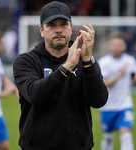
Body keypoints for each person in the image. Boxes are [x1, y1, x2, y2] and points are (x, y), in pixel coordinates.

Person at [13, 1, 108, 150]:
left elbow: (99, 100)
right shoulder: (26, 61)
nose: (58, 30)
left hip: (77, 146)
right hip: (37, 146)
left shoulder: (85, 59)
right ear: (42, 30)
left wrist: (88, 62)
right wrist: (66, 67)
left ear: (71, 28)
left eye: (63, 24)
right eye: (51, 25)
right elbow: (35, 94)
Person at [98, 32, 136, 150]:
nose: (117, 46)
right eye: (114, 44)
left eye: (120, 44)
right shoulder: (104, 62)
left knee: (126, 135)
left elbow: (135, 83)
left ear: (124, 46)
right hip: (107, 106)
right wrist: (120, 74)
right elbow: (104, 83)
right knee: (108, 137)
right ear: (109, 46)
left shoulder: (130, 61)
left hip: (125, 105)